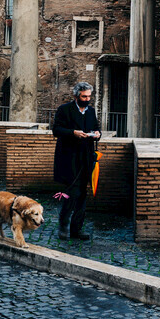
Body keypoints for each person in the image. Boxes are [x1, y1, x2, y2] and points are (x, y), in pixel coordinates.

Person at [52, 82, 101, 241]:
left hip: (86, 157)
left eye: (89, 97)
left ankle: (76, 229)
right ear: (76, 96)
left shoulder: (91, 111)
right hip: (69, 158)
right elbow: (56, 130)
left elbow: (95, 127)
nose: (87, 99)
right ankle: (63, 226)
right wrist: (73, 133)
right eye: (84, 96)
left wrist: (97, 133)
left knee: (82, 195)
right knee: (71, 193)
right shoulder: (64, 110)